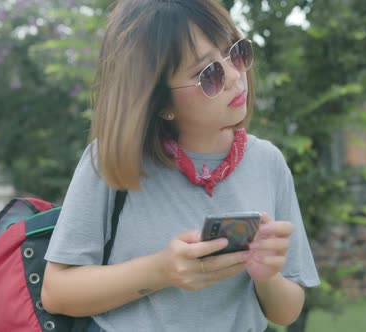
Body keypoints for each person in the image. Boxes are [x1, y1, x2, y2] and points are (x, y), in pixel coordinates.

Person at [41, 0, 320, 331]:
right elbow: (56, 293)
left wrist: (267, 275)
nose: (235, 76)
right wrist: (162, 270)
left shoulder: (267, 162)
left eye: (236, 53)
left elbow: (286, 312)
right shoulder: (111, 161)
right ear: (160, 102)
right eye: (209, 74)